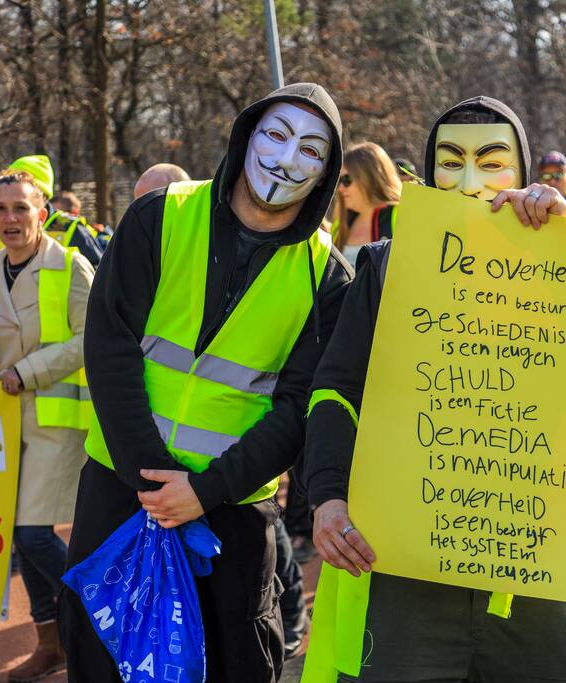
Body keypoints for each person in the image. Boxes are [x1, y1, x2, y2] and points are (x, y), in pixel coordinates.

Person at [302, 96, 566, 683]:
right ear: (427, 169)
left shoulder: (563, 260)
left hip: (539, 569)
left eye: (491, 162)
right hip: (411, 573)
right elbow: (335, 389)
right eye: (451, 161)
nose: (469, 181)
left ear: (521, 171)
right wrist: (327, 495)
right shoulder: (387, 266)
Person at [60, 83, 354, 683]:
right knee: (100, 660)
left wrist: (204, 491)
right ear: (247, 136)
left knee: (230, 664)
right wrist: (151, 480)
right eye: (276, 135)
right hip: (121, 492)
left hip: (231, 513)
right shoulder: (159, 216)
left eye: (310, 150)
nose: (286, 158)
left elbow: (299, 407)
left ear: (326, 172)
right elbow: (109, 344)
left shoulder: (328, 277)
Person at [0, 170, 94, 682]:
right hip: (1, 419)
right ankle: (51, 642)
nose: (11, 218)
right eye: (1, 209)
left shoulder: (71, 266)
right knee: (18, 533)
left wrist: (26, 372)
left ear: (42, 213)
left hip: (56, 419)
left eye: (21, 208)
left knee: (35, 534)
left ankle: (103, 620)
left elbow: (90, 339)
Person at [6, 155, 106, 266]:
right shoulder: (4, 228)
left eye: (17, 185)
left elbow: (100, 274)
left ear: (40, 192)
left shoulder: (71, 229)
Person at [332, 142, 402, 264]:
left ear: (369, 177)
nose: (340, 188)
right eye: (339, 181)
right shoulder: (340, 225)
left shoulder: (400, 216)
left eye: (347, 180)